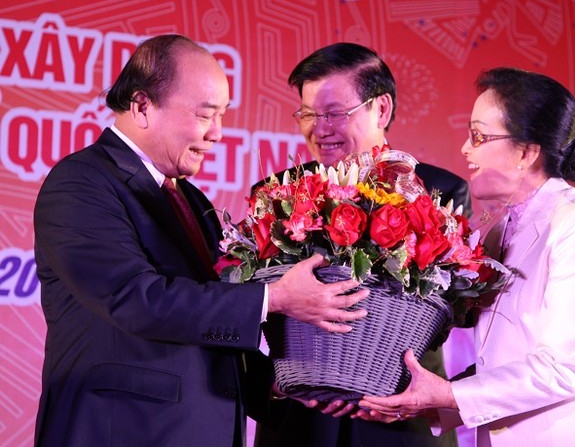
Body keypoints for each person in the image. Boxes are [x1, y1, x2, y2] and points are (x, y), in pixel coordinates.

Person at [32, 34, 370, 447]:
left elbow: (208, 320)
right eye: (207, 114)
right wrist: (273, 298)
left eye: (223, 115)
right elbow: (136, 299)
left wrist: (284, 381)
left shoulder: (189, 198)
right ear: (141, 106)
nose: (217, 134)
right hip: (122, 431)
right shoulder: (82, 182)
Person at [358, 67, 575, 446]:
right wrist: (428, 403)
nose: (464, 149)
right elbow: (504, 364)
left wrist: (448, 396)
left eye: (478, 136)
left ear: (526, 151)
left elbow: (563, 367)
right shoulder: (497, 230)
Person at [252, 42, 470, 447]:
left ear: (381, 109)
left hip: (398, 421)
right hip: (299, 423)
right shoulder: (275, 195)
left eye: (334, 113)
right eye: (308, 114)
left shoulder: (440, 193)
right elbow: (253, 302)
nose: (320, 129)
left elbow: (452, 309)